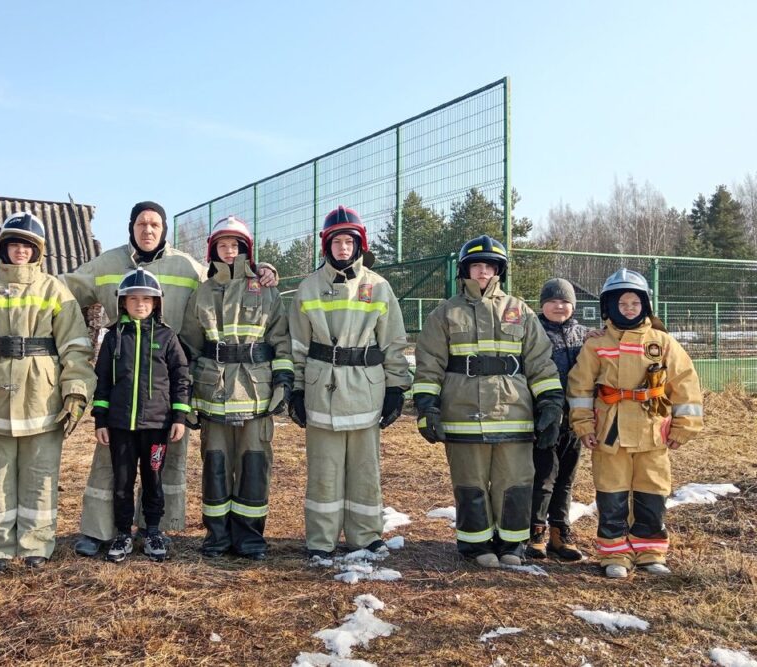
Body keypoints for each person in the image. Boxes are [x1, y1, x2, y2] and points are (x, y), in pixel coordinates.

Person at [62, 201, 277, 557]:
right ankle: (99, 530)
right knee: (110, 464)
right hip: (122, 387)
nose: (148, 230)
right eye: (141, 224)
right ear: (131, 227)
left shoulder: (186, 266)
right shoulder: (106, 264)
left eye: (155, 224)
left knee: (163, 465)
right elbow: (64, 289)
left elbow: (226, 276)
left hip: (167, 387)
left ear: (164, 230)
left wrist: (260, 270)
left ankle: (155, 528)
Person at [0, 212, 96, 573]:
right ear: (2, 248)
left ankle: (36, 544)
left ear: (38, 250)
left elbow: (76, 348)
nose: (20, 251)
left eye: (27, 245)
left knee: (41, 476)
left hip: (43, 401)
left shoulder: (55, 291)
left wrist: (75, 392)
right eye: (14, 244)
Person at [412, 235, 563, 568]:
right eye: (477, 265)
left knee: (515, 482)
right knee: (470, 482)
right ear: (465, 270)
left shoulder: (520, 311)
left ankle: (513, 545)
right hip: (462, 415)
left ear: (499, 271)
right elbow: (429, 365)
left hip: (514, 414)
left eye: (490, 266)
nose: (483, 272)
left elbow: (540, 362)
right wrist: (427, 407)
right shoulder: (445, 313)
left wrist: (551, 403)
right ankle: (475, 545)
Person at [287, 206, 410, 560]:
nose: (343, 248)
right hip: (321, 389)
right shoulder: (309, 287)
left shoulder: (379, 287)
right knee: (323, 472)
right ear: (326, 246)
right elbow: (297, 346)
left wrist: (395, 388)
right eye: (336, 241)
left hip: (365, 391)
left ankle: (366, 536)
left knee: (364, 470)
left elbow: (393, 343)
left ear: (359, 245)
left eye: (349, 241)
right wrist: (296, 389)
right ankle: (320, 540)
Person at [567, 269, 703, 579]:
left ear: (645, 305)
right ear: (609, 306)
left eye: (635, 303)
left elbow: (685, 384)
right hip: (609, 434)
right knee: (611, 494)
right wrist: (584, 425)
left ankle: (650, 553)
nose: (629, 309)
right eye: (622, 303)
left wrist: (684, 426)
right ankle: (614, 554)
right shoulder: (597, 344)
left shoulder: (662, 342)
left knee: (652, 492)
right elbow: (579, 387)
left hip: (652, 431)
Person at [179, 216, 293, 560]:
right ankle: (216, 536)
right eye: (223, 245)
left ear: (246, 249)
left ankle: (250, 538)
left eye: (235, 245)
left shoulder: (266, 289)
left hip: (256, 396)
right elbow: (189, 346)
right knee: (214, 465)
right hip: (212, 395)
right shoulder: (202, 292)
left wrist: (283, 381)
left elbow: (282, 341)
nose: (229, 251)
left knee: (254, 466)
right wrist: (186, 395)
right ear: (213, 250)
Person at [91, 268, 191, 563]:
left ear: (156, 303)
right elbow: (102, 380)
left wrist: (179, 417)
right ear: (122, 302)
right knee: (122, 482)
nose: (140, 304)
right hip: (120, 426)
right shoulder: (113, 337)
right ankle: (123, 533)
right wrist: (101, 420)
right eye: (133, 298)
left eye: (147, 299)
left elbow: (181, 377)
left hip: (157, 426)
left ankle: (153, 531)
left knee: (153, 479)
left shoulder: (167, 336)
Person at [526, 278, 587, 561]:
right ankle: (535, 531)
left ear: (573, 305)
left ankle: (560, 532)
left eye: (564, 301)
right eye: (552, 301)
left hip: (574, 418)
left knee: (566, 478)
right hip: (544, 418)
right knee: (544, 477)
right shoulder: (533, 333)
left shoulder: (585, 335)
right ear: (542, 305)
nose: (558, 306)